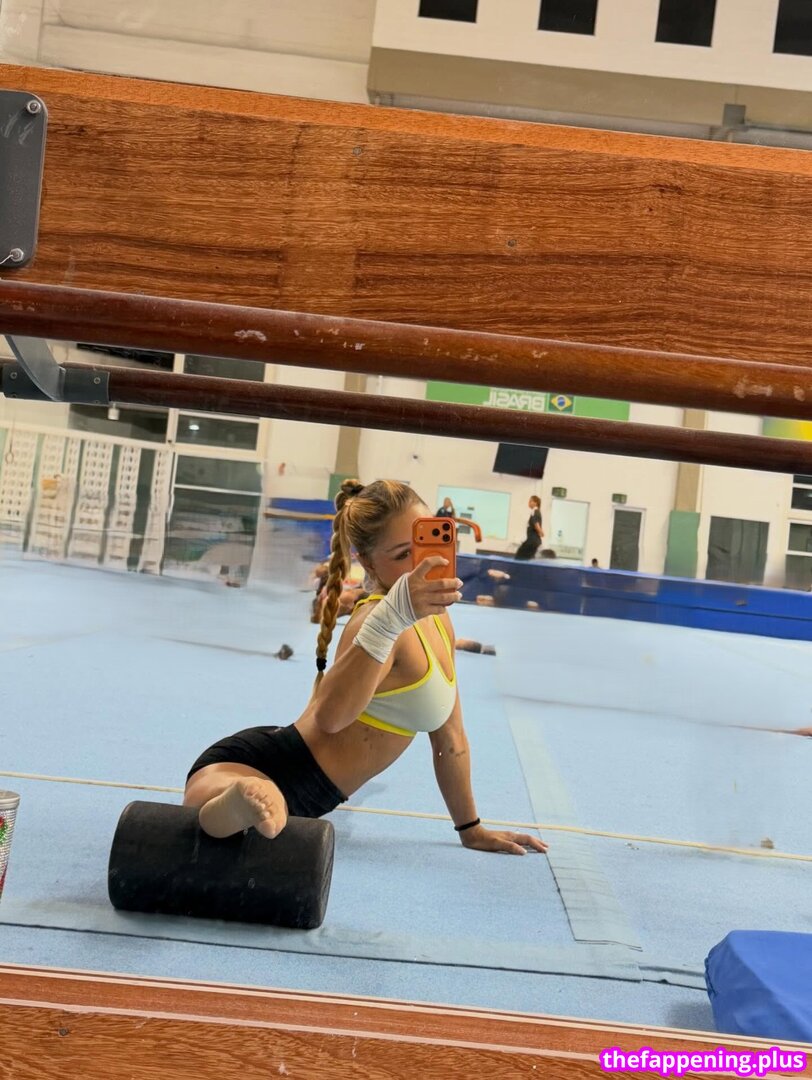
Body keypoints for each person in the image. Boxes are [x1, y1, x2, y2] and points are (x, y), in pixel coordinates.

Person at [184, 479, 547, 857]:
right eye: (403, 554)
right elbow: (330, 718)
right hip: (257, 766)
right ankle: (241, 799)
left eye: (427, 544)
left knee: (252, 824)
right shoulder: (373, 621)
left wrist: (471, 829)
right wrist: (390, 620)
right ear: (368, 562)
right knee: (206, 811)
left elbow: (450, 739)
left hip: (304, 794)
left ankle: (249, 805)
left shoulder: (439, 620)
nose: (422, 563)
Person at [513, 495, 543, 560]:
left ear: (535, 503)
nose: (529, 503)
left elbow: (536, 523)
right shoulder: (537, 511)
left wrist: (541, 532)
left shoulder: (534, 511)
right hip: (533, 541)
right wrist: (540, 531)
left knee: (519, 556)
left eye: (530, 501)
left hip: (532, 541)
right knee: (527, 558)